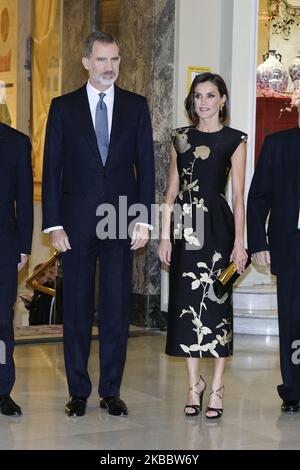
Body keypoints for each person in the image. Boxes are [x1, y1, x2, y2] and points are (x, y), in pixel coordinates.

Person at [42, 31, 155, 417]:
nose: (110, 67)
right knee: (75, 310)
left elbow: (147, 167)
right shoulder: (62, 107)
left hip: (121, 220)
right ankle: (77, 392)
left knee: (116, 310)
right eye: (103, 60)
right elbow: (52, 168)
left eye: (116, 60)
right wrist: (53, 225)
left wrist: (144, 218)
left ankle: (111, 390)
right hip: (74, 225)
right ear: (86, 62)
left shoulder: (137, 106)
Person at [158, 73, 248, 419]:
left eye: (211, 96)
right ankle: (193, 386)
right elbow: (170, 192)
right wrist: (165, 236)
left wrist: (240, 243)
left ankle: (218, 388)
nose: (204, 102)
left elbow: (239, 196)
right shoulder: (180, 138)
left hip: (219, 229)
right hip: (185, 227)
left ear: (222, 100)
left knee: (217, 306)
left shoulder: (234, 140)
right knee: (187, 305)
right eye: (198, 96)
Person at [247, 92, 300, 414]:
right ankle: (293, 389)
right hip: (290, 243)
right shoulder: (278, 144)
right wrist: (259, 243)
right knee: (292, 320)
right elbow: (258, 198)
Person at [0, 122, 33, 416]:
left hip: (3, 246)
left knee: (0, 322)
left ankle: (2, 390)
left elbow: (24, 199)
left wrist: (23, 247)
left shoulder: (15, 142)